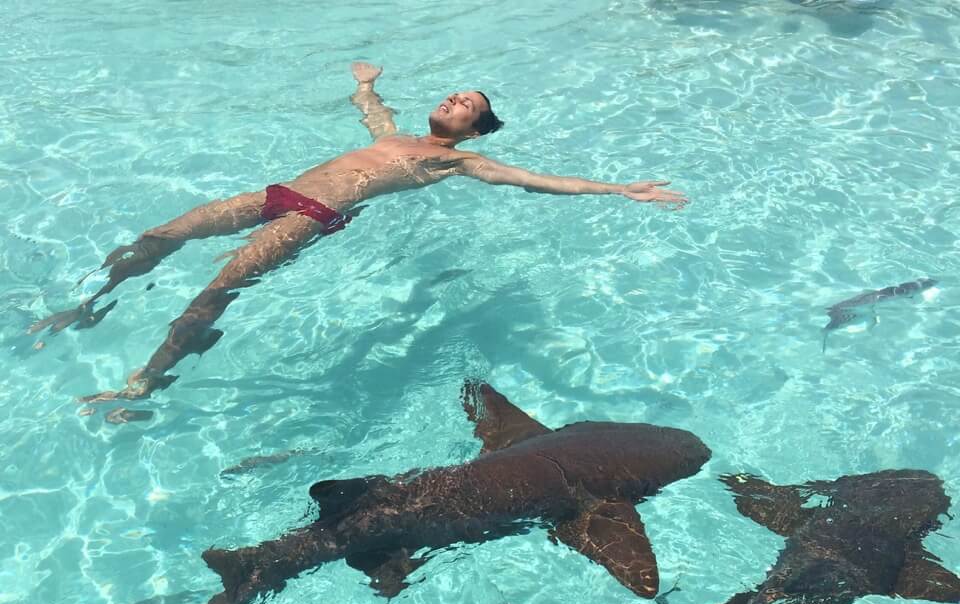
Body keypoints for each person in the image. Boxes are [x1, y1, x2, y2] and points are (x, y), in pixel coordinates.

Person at [33, 62, 687, 407]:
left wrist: (619, 188)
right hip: (275, 192)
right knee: (159, 235)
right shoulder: (396, 137)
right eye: (455, 93)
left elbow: (533, 180)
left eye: (469, 105)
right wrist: (369, 87)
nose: (456, 101)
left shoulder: (460, 160)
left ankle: (148, 378)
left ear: (474, 129)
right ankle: (89, 306)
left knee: (219, 287)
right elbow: (374, 114)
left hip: (308, 217)